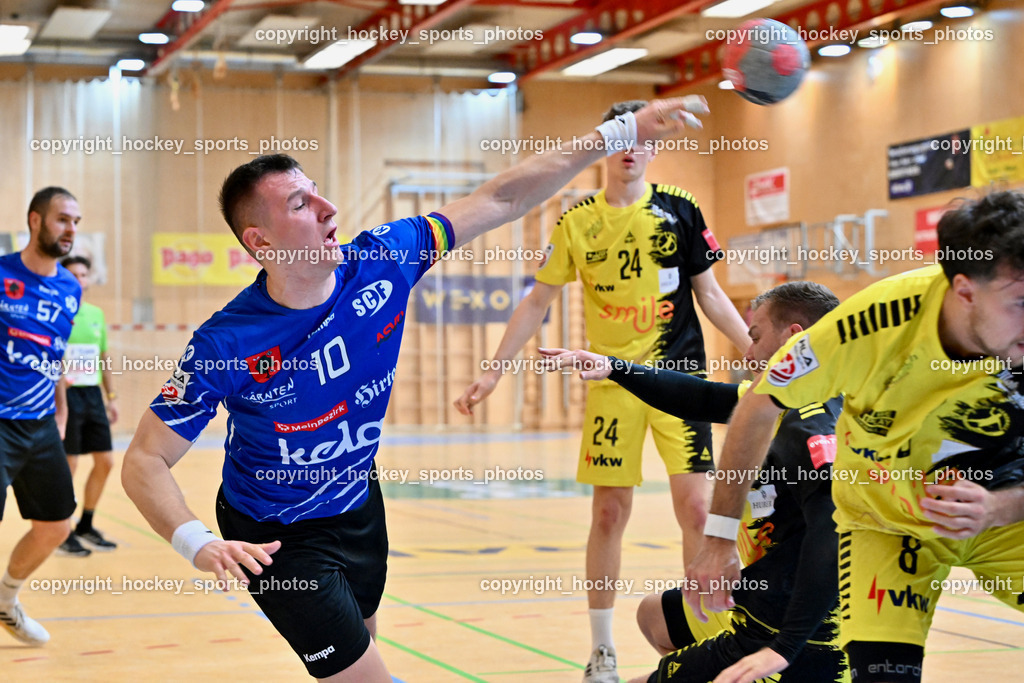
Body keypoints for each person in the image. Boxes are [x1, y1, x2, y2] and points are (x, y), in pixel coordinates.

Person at [120, 96, 712, 682]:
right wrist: (195, 541)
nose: (329, 208)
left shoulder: (381, 261)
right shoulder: (227, 343)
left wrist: (619, 132)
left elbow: (501, 197)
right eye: (301, 203)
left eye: (320, 190)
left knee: (359, 655)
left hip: (357, 506)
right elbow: (146, 458)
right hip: (275, 538)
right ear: (262, 243)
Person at [454, 100, 751, 682]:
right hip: (610, 382)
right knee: (610, 513)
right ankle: (602, 649)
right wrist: (494, 368)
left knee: (699, 510)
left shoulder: (680, 212)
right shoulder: (576, 221)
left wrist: (758, 352)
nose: (633, 149)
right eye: (624, 138)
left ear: (656, 147)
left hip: (679, 383)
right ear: (607, 146)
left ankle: (709, 638)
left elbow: (711, 294)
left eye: (645, 140)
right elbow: (538, 300)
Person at [685, 190, 1024, 683]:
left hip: (1006, 511)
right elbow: (757, 403)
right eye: (1020, 303)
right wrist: (718, 539)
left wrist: (998, 509)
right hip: (885, 523)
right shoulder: (868, 324)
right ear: (966, 290)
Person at [542, 280, 847, 683]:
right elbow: (700, 396)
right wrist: (615, 367)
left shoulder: (814, 426)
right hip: (758, 594)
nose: (748, 352)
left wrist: (785, 645)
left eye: (755, 336)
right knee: (655, 616)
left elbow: (834, 536)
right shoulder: (777, 400)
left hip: (787, 628)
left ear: (795, 337)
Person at [0, 186, 83, 645]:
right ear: (35, 221)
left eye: (76, 221)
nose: (71, 230)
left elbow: (55, 357)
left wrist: (62, 412)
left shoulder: (70, 288)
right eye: (62, 220)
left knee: (55, 525)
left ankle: (5, 600)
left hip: (40, 424)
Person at [57, 255, 119, 557]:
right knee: (68, 465)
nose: (79, 280)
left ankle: (86, 524)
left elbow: (103, 358)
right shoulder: (55, 313)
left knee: (105, 461)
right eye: (73, 275)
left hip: (92, 395)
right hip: (65, 397)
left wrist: (111, 397)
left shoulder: (96, 314)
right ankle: (62, 530)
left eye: (83, 274)